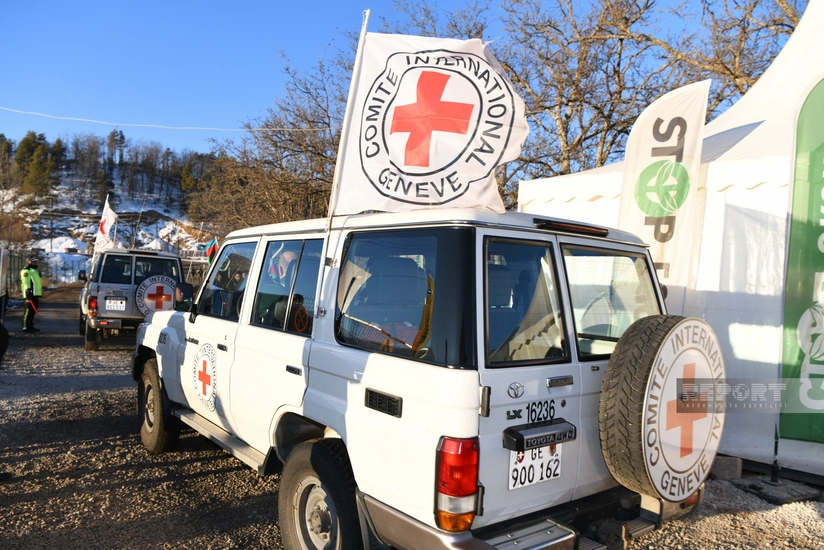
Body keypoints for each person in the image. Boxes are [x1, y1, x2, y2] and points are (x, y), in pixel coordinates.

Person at [20, 257, 42, 333]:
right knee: (28, 309)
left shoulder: (34, 270)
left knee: (33, 311)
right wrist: (27, 292)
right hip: (30, 293)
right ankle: (25, 326)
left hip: (35, 294)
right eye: (33, 261)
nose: (35, 263)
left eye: (36, 261)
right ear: (29, 261)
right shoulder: (26, 270)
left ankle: (30, 325)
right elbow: (26, 282)